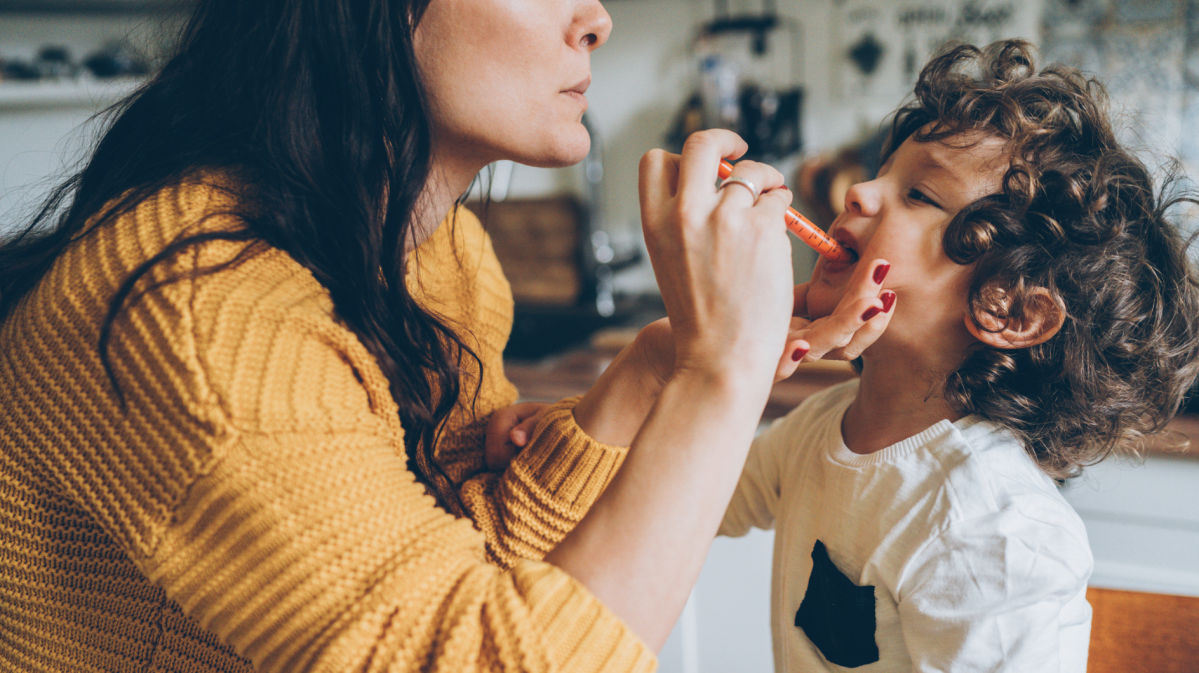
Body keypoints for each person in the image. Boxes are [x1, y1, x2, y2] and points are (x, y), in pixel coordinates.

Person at [0, 0, 895, 671]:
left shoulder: (443, 253)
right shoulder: (201, 320)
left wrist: (649, 372)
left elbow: (479, 563)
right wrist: (719, 375)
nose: (595, 19)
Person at [718, 39, 1199, 672]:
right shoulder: (817, 429)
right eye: (883, 173)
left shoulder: (996, 531)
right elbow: (690, 498)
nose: (858, 190)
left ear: (1012, 310)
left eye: (919, 195)